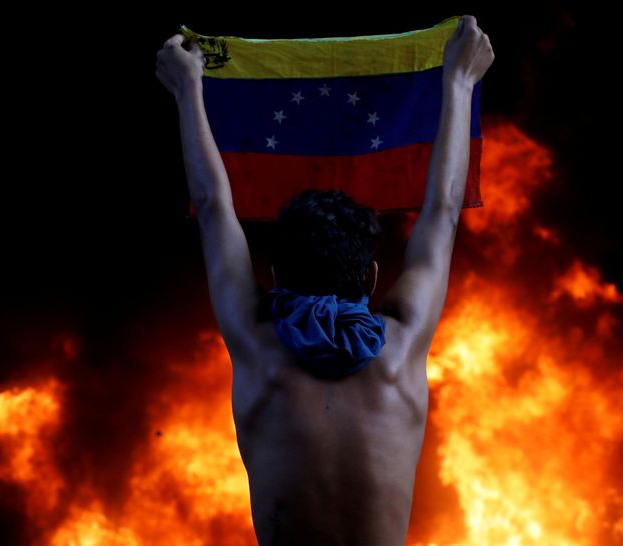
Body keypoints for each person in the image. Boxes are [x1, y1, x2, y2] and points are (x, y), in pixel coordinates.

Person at [156, 14, 494, 546]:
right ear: (375, 275)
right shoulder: (401, 347)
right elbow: (444, 211)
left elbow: (213, 205)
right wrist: (458, 82)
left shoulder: (256, 345)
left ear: (272, 275)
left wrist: (187, 88)